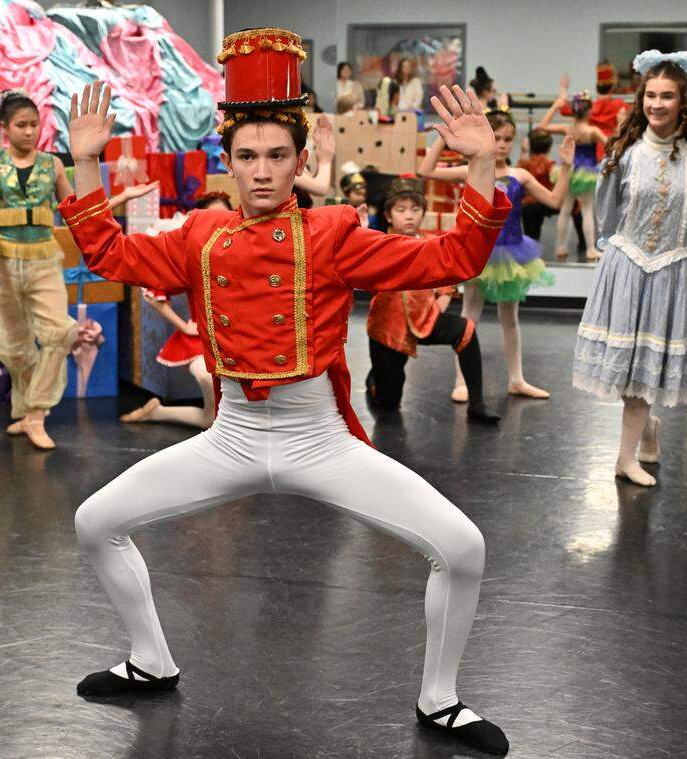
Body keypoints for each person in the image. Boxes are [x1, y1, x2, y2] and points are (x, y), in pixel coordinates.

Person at [61, 26, 513, 756]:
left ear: (302, 160)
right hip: (233, 435)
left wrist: (484, 163)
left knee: (462, 547)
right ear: (229, 163)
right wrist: (86, 162)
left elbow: (455, 252)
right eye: (248, 157)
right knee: (94, 520)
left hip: (319, 438)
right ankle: (150, 658)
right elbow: (108, 250)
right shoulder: (200, 234)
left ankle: (440, 699)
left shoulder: (333, 232)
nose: (263, 171)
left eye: (277, 156)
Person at [0, 89, 155, 449]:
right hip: (2, 263)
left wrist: (117, 200)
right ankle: (24, 413)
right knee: (13, 344)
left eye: (34, 124)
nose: (29, 131)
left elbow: (76, 210)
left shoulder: (51, 165)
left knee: (59, 332)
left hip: (42, 259)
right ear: (5, 127)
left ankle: (37, 414)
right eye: (21, 125)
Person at [573, 51, 687, 487]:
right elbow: (607, 215)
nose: (657, 104)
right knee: (624, 370)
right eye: (651, 95)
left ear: (684, 102)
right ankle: (644, 428)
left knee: (642, 375)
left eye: (667, 96)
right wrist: (614, 256)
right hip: (626, 270)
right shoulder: (623, 154)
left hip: (672, 274)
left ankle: (624, 457)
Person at [419, 110, 575, 401]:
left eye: (507, 139)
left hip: (512, 253)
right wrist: (444, 139)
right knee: (470, 315)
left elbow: (555, 200)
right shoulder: (474, 170)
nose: (502, 144)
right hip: (478, 253)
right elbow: (427, 171)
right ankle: (462, 380)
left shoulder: (520, 175)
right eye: (497, 138)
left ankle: (516, 378)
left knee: (510, 318)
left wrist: (566, 167)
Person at [365, 175, 499, 423]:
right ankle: (375, 379)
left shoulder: (431, 244)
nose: (409, 215)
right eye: (401, 209)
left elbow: (448, 275)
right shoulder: (377, 244)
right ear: (388, 215)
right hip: (387, 329)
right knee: (389, 402)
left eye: (415, 209)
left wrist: (444, 298)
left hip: (426, 318)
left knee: (465, 330)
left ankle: (477, 404)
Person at [119, 193, 233, 430]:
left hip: (239, 339)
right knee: (206, 378)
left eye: (225, 216)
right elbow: (154, 295)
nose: (219, 222)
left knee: (213, 420)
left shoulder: (245, 251)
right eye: (213, 218)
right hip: (202, 339)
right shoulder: (193, 255)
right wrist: (184, 326)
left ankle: (157, 412)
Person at [539, 89, 608, 261]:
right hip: (587, 172)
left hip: (569, 171)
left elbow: (543, 127)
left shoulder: (567, 128)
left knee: (565, 209)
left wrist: (555, 105)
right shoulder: (592, 131)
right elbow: (611, 145)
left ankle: (560, 247)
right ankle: (591, 249)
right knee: (586, 210)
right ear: (589, 110)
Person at [517, 129, 555, 239]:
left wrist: (524, 152)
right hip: (543, 202)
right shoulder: (549, 164)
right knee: (575, 207)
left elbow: (515, 176)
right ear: (549, 148)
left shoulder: (525, 163)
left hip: (526, 204)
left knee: (531, 235)